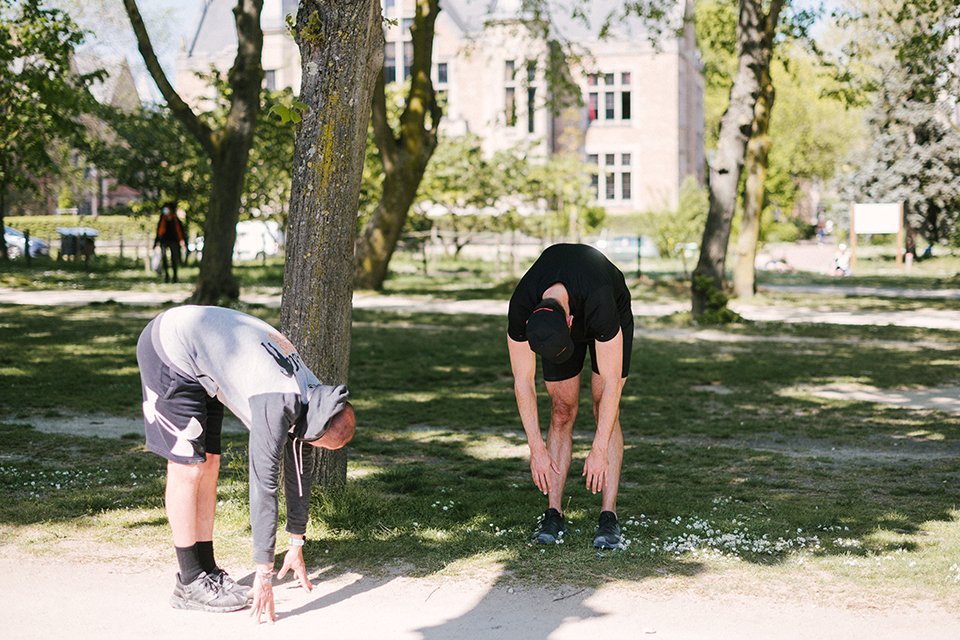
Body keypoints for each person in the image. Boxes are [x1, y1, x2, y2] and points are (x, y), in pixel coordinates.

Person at [136, 305, 356, 622]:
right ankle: (188, 581)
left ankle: (206, 571)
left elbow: (298, 466)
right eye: (319, 444)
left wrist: (296, 541)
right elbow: (263, 486)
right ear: (318, 432)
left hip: (205, 357)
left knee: (209, 463)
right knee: (189, 468)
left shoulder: (319, 399)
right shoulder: (277, 403)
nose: (312, 447)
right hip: (171, 349)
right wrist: (264, 572)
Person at [506, 243, 633, 549]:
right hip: (557, 319)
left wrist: (599, 448)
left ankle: (608, 516)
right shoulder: (522, 306)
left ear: (570, 322)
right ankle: (554, 513)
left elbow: (614, 383)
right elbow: (523, 380)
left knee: (605, 405)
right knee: (562, 410)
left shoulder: (600, 299)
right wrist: (535, 447)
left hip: (609, 313)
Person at [154, 202, 185, 283]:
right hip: (164, 241)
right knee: (164, 258)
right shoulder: (162, 219)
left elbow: (180, 231)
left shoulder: (175, 219)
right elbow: (158, 232)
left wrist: (182, 241)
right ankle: (167, 276)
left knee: (174, 259)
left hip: (174, 241)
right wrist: (156, 242)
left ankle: (175, 276)